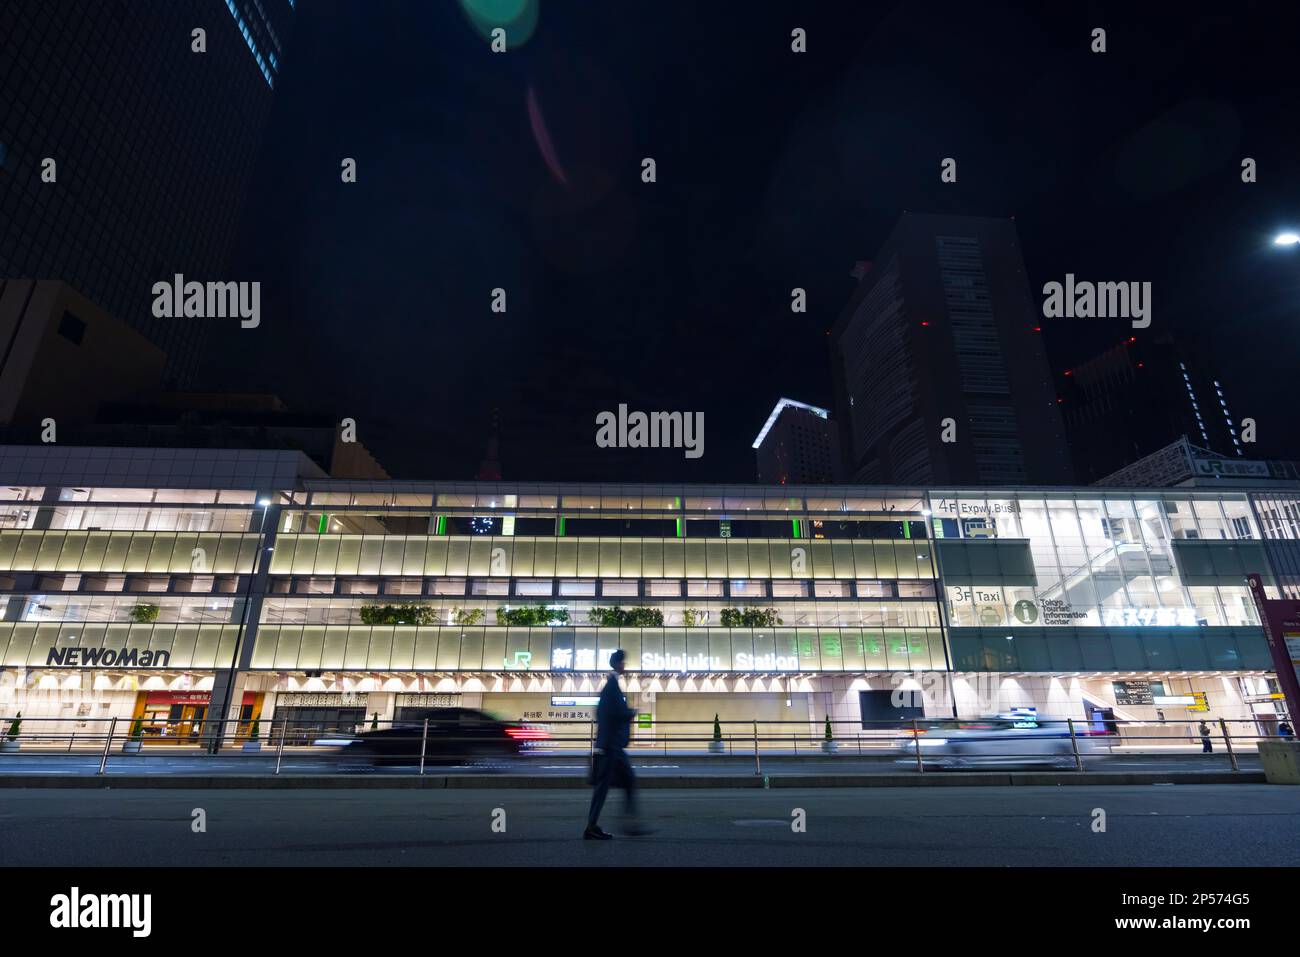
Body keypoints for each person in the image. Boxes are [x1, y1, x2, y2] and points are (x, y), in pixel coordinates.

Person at [584, 650, 651, 840]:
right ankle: (593, 826)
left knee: (625, 781)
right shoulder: (612, 685)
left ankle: (627, 823)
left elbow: (601, 712)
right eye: (623, 662)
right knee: (604, 787)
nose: (624, 665)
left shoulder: (611, 685)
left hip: (611, 746)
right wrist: (630, 713)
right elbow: (612, 713)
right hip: (610, 747)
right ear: (617, 664)